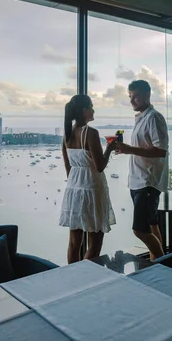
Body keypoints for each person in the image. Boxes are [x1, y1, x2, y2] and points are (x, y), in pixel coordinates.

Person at [59, 94, 117, 264]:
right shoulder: (91, 133)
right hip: (91, 187)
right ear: (85, 111)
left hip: (74, 189)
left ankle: (74, 279)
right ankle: (86, 278)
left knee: (74, 243)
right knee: (95, 242)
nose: (93, 110)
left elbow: (68, 168)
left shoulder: (67, 135)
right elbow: (99, 166)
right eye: (91, 106)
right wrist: (110, 148)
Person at [116, 80, 168, 260]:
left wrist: (129, 149)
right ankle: (157, 265)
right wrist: (127, 149)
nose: (132, 101)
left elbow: (161, 150)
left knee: (139, 230)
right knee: (152, 226)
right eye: (130, 97)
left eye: (136, 96)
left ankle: (166, 266)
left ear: (147, 95)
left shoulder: (154, 117)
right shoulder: (142, 117)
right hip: (138, 180)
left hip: (147, 182)